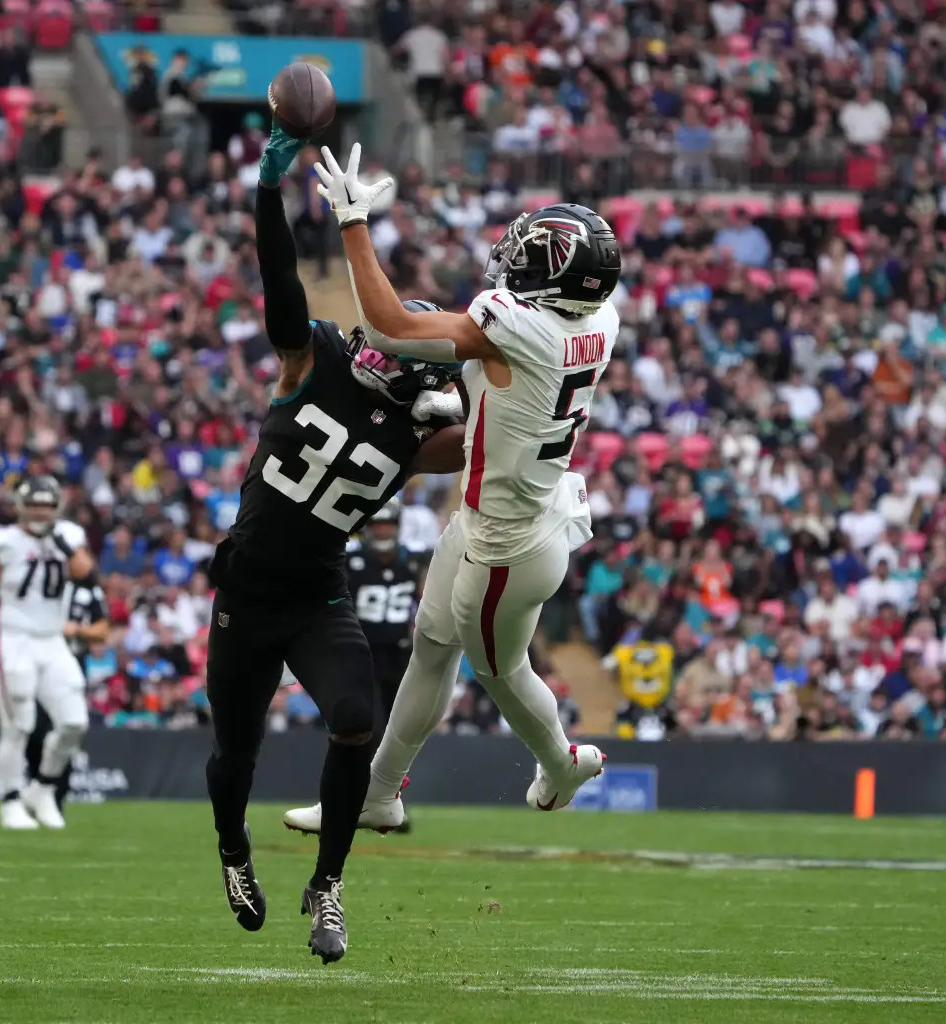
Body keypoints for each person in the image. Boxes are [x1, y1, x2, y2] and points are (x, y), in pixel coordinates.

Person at [203, 123, 465, 965]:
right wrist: (265, 194)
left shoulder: (421, 437)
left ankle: (329, 885)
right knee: (234, 753)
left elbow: (520, 427)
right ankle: (234, 852)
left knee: (357, 720)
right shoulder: (309, 359)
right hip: (245, 592)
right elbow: (281, 284)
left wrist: (500, 389)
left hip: (317, 596)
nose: (371, 339)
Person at [313, 143, 621, 826]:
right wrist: (462, 409)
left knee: (500, 672)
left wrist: (351, 223)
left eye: (532, 254)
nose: (514, 259)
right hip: (511, 509)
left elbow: (391, 328)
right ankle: (377, 795)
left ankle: (562, 765)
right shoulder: (600, 319)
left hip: (508, 543)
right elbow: (500, 399)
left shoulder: (520, 328)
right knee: (431, 642)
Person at [0, 476, 99, 831]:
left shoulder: (67, 536)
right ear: (22, 507)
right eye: (35, 505)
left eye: (47, 505)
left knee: (74, 722)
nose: (41, 512)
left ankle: (42, 787)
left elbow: (87, 576)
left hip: (52, 639)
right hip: (12, 637)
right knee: (18, 726)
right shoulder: (3, 540)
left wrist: (59, 543)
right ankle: (10, 801)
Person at [283, 497, 424, 835]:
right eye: (378, 525)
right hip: (363, 653)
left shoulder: (411, 563)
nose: (384, 531)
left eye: (388, 524)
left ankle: (384, 802)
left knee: (397, 735)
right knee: (368, 729)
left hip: (400, 657)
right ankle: (355, 801)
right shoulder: (354, 562)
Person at [24, 575, 110, 811]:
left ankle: (55, 798)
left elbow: (103, 630)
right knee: (34, 731)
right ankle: (37, 789)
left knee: (67, 729)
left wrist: (78, 629)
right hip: (37, 663)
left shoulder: (88, 590)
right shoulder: (38, 580)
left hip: (71, 662)